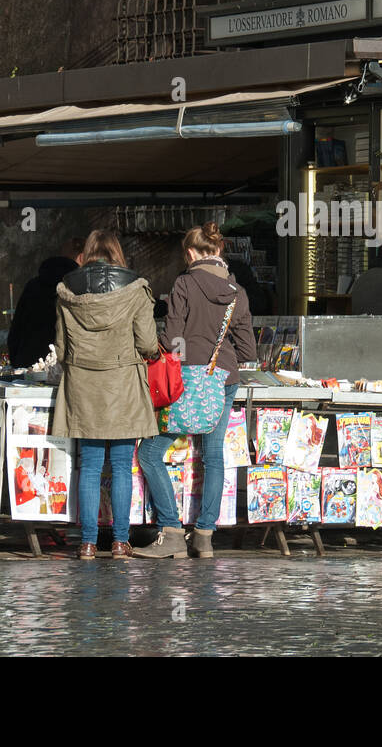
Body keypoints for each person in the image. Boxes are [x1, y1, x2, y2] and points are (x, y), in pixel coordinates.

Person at [136, 222, 257, 560]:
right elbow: (247, 350)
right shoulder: (237, 291)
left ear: (190, 253)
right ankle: (204, 537)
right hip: (224, 378)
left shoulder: (184, 283)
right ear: (217, 252)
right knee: (213, 456)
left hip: (186, 380)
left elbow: (172, 339)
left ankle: (172, 532)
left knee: (149, 453)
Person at [52, 230, 160, 560]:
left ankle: (86, 542)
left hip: (84, 385)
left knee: (90, 466)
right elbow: (146, 343)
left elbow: (61, 347)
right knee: (122, 464)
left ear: (88, 254)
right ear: (117, 254)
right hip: (124, 384)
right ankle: (119, 541)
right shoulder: (135, 289)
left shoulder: (67, 290)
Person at [7, 238, 82, 368]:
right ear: (81, 258)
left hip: (28, 362)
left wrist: (18, 362)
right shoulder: (79, 287)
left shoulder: (33, 285)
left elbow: (16, 330)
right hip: (65, 367)